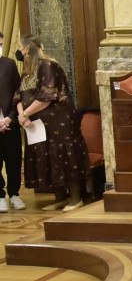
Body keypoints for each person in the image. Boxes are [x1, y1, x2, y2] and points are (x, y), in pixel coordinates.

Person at [14, 35, 89, 212]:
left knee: (63, 156)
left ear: (28, 49)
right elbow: (18, 96)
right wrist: (21, 116)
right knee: (46, 156)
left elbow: (47, 97)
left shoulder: (48, 65)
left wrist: (24, 114)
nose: (19, 51)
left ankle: (76, 198)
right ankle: (60, 197)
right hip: (37, 124)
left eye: (20, 47)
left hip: (58, 122)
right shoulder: (27, 71)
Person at [0, 33, 24, 212]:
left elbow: (17, 92)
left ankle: (14, 194)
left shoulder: (8, 65)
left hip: (10, 122)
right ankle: (0, 197)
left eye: (1, 44)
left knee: (14, 159)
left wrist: (9, 117)